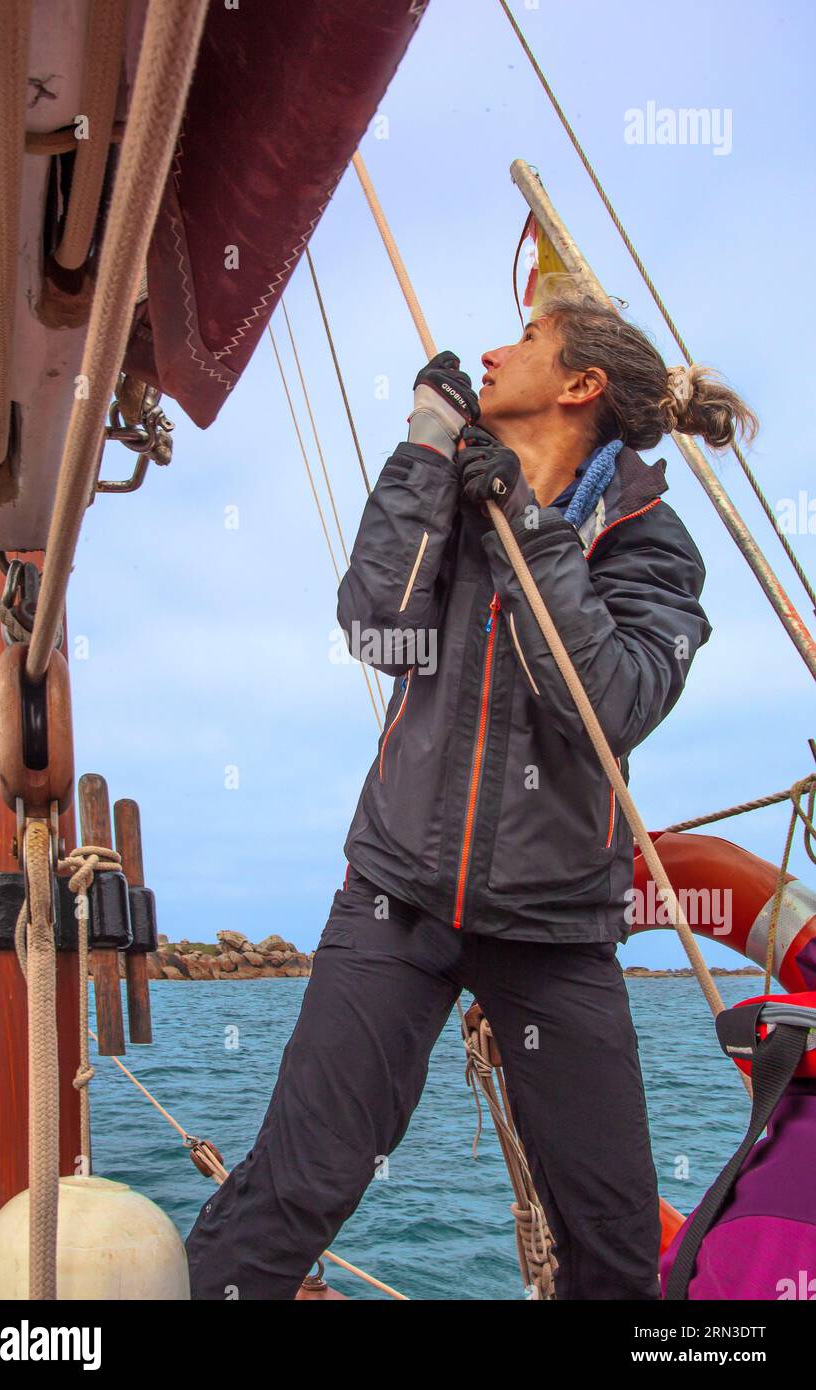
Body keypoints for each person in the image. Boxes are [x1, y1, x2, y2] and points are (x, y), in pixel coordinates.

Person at [186, 291, 758, 1300]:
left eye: (526, 340)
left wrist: (530, 528)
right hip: (396, 898)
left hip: (554, 927)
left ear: (578, 384)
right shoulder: (452, 491)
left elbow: (605, 703)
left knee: (611, 1234)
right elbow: (375, 625)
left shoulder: (651, 543)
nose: (491, 351)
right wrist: (422, 452)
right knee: (295, 1185)